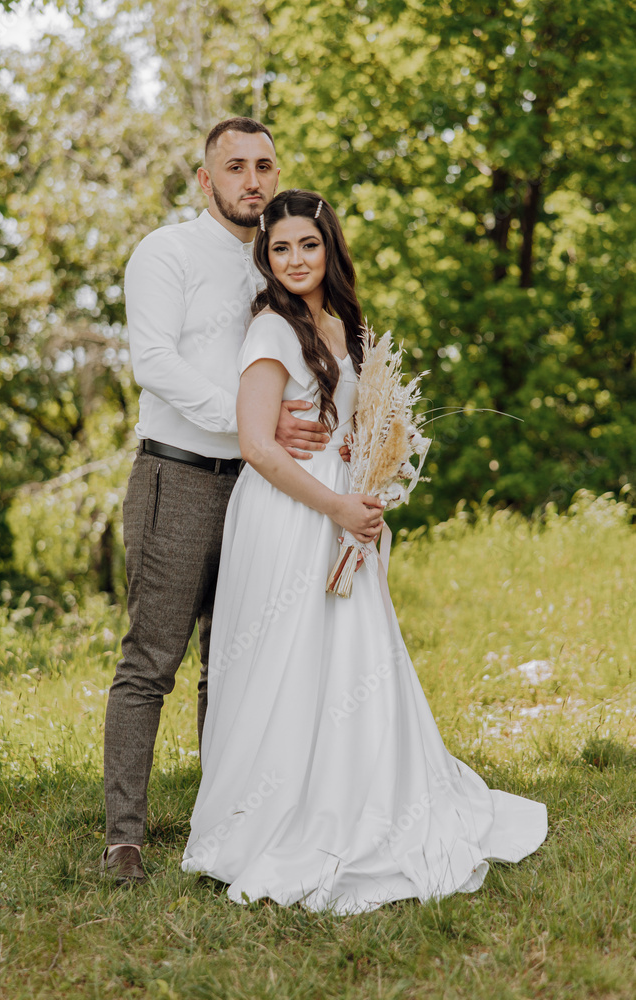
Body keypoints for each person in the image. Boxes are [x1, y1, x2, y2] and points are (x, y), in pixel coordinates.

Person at [180, 189, 547, 914]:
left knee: (352, 656)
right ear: (266, 255)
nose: (293, 260)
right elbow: (256, 444)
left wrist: (367, 474)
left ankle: (366, 792)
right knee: (286, 656)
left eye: (306, 246)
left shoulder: (344, 323)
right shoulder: (270, 331)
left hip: (347, 505)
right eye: (279, 248)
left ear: (329, 249)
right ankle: (273, 814)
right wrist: (338, 504)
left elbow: (360, 417)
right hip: (289, 514)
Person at [101, 120, 342, 885]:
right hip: (176, 477)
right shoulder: (164, 252)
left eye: (263, 165)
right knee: (152, 661)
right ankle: (124, 837)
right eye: (234, 167)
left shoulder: (280, 264)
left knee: (235, 662)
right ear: (205, 180)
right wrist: (253, 424)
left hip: (259, 490)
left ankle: (229, 821)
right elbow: (155, 362)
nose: (252, 179)